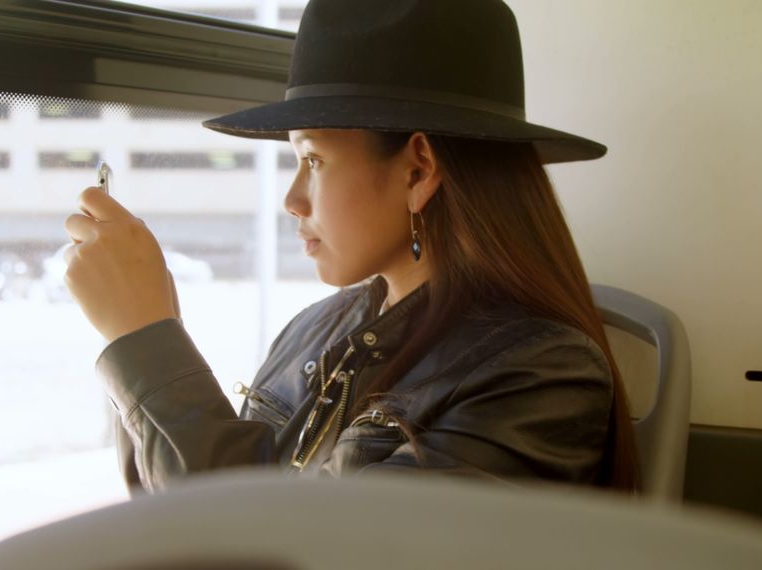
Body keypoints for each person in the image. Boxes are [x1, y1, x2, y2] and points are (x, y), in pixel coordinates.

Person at [63, 0, 639, 494]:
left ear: (418, 171)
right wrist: (150, 331)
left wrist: (145, 342)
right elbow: (186, 517)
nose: (292, 198)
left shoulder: (539, 375)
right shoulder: (316, 328)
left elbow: (273, 548)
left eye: (313, 160)